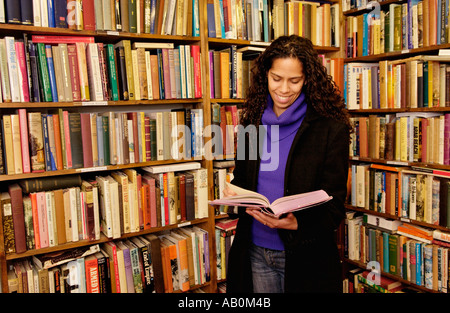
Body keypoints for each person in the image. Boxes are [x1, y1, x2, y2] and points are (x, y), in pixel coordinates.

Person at [224, 35, 352, 293]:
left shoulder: (330, 129)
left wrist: (298, 223)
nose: (284, 89)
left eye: (295, 80)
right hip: (256, 250)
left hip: (306, 255)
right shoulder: (252, 123)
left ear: (308, 79)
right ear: (265, 76)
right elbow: (242, 179)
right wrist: (234, 194)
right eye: (276, 78)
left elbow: (335, 204)